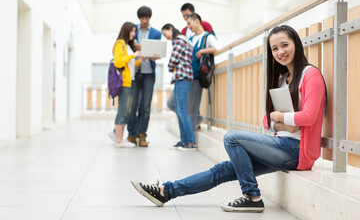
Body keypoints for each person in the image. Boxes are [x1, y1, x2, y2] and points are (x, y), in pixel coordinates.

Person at [130, 25, 327, 212]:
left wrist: (282, 117)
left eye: (285, 45)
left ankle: (252, 197)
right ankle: (166, 192)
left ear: (296, 44)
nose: (280, 52)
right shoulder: (282, 79)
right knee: (221, 171)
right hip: (279, 146)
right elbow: (266, 121)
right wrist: (281, 123)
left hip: (296, 151)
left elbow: (309, 117)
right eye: (274, 48)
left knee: (231, 138)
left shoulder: (311, 74)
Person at [170, 13, 219, 131]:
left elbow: (217, 47)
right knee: (172, 103)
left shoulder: (207, 37)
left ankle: (190, 139)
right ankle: (196, 120)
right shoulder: (190, 39)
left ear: (196, 21)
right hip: (186, 77)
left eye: (189, 23)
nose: (188, 27)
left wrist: (202, 51)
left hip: (197, 78)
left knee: (191, 108)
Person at [127, 6, 162, 147]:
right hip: (134, 74)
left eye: (146, 18)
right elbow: (130, 46)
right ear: (139, 18)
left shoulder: (156, 33)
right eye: (142, 18)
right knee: (132, 105)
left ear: (150, 18)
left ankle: (142, 135)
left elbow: (155, 52)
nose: (144, 21)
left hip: (148, 74)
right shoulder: (133, 30)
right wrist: (145, 48)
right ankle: (131, 134)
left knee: (145, 107)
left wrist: (151, 54)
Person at [108, 22, 143, 148]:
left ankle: (116, 135)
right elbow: (118, 62)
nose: (133, 34)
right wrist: (133, 55)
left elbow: (129, 65)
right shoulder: (120, 44)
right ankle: (118, 140)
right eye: (132, 31)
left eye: (135, 31)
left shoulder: (127, 45)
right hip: (124, 82)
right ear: (126, 31)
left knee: (126, 111)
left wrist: (140, 60)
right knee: (123, 111)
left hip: (130, 81)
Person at [162, 23, 196, 151]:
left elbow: (173, 59)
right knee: (179, 110)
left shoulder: (178, 40)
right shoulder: (182, 40)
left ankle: (190, 142)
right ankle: (184, 141)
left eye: (166, 34)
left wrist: (170, 67)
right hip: (181, 78)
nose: (166, 37)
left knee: (182, 111)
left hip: (182, 77)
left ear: (171, 29)